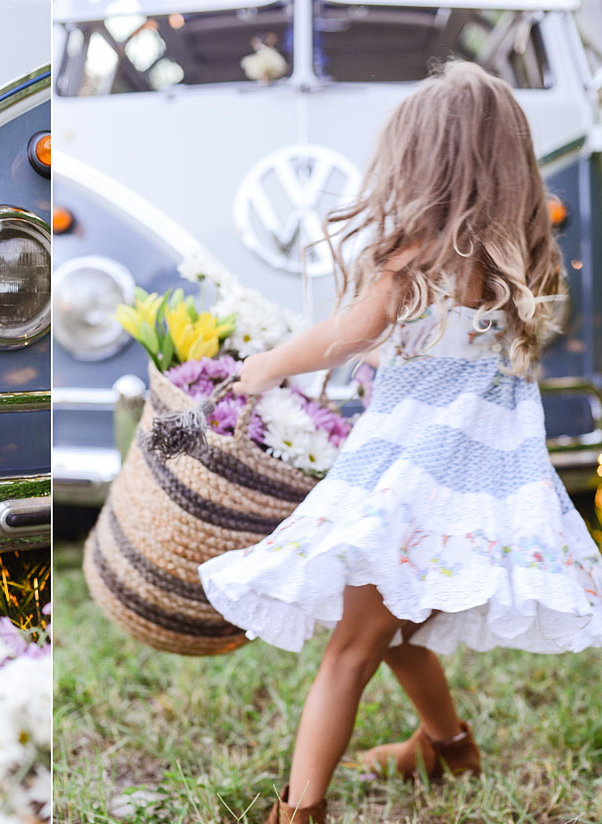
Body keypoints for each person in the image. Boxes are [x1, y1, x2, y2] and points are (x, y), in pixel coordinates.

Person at [197, 61, 602, 824]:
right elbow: (453, 359)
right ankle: (447, 748)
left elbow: (340, 337)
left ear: (423, 165)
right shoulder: (523, 267)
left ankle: (300, 811)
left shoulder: (410, 263)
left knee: (349, 650)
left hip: (408, 490)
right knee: (390, 630)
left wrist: (262, 369)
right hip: (469, 491)